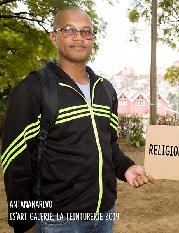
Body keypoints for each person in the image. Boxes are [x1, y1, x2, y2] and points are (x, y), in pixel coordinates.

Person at [1, 6, 154, 233]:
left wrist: (127, 168)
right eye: (69, 30)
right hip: (56, 221)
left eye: (86, 32)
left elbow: (109, 145)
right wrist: (24, 223)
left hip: (105, 215)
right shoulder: (34, 89)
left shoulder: (105, 90)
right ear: (54, 36)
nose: (79, 38)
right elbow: (15, 161)